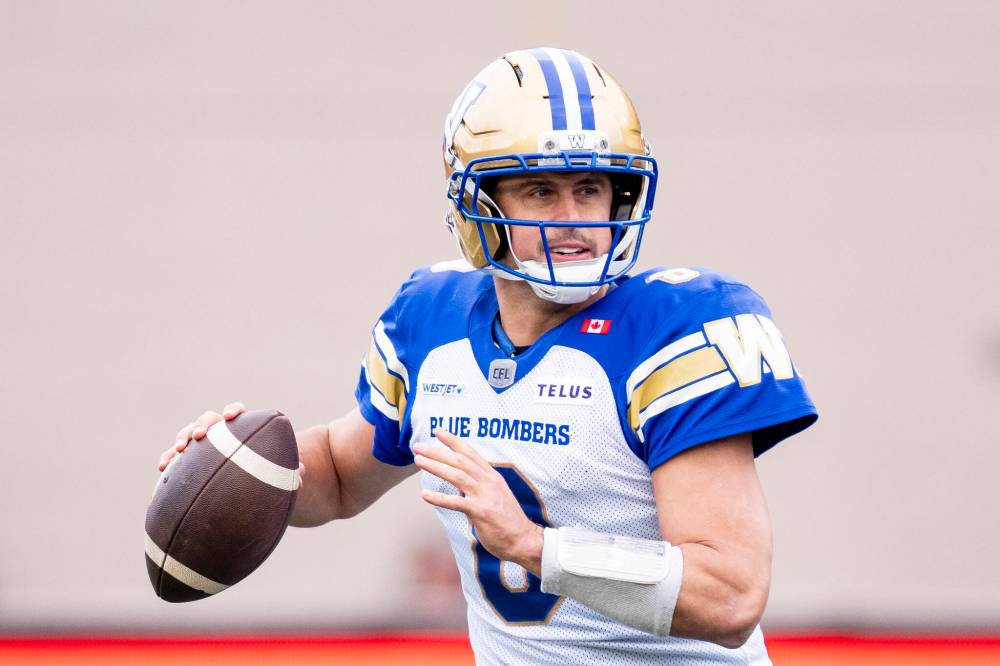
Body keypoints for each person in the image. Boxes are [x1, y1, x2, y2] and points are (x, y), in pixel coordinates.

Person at [158, 48, 817, 665]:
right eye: (540, 193)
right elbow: (335, 475)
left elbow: (729, 593)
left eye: (590, 189)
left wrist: (535, 547)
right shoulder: (432, 319)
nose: (575, 220)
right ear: (477, 205)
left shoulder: (673, 327)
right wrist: (244, 464)